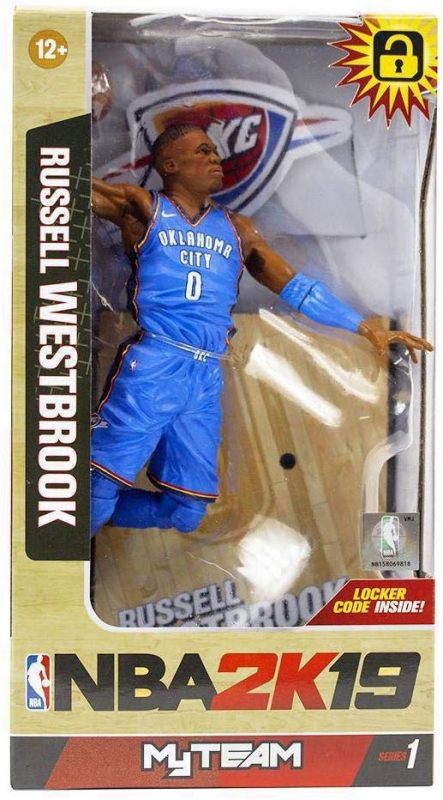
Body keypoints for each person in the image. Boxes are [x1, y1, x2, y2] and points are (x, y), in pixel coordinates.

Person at [90, 123, 432, 538]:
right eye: (202, 150)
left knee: (186, 511)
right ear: (170, 164)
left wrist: (362, 327)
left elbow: (298, 288)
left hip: (205, 374)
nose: (215, 157)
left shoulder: (238, 229)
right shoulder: (142, 207)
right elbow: (69, 184)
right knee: (99, 487)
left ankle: (76, 516)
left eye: (214, 150)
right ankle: (71, 532)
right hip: (157, 361)